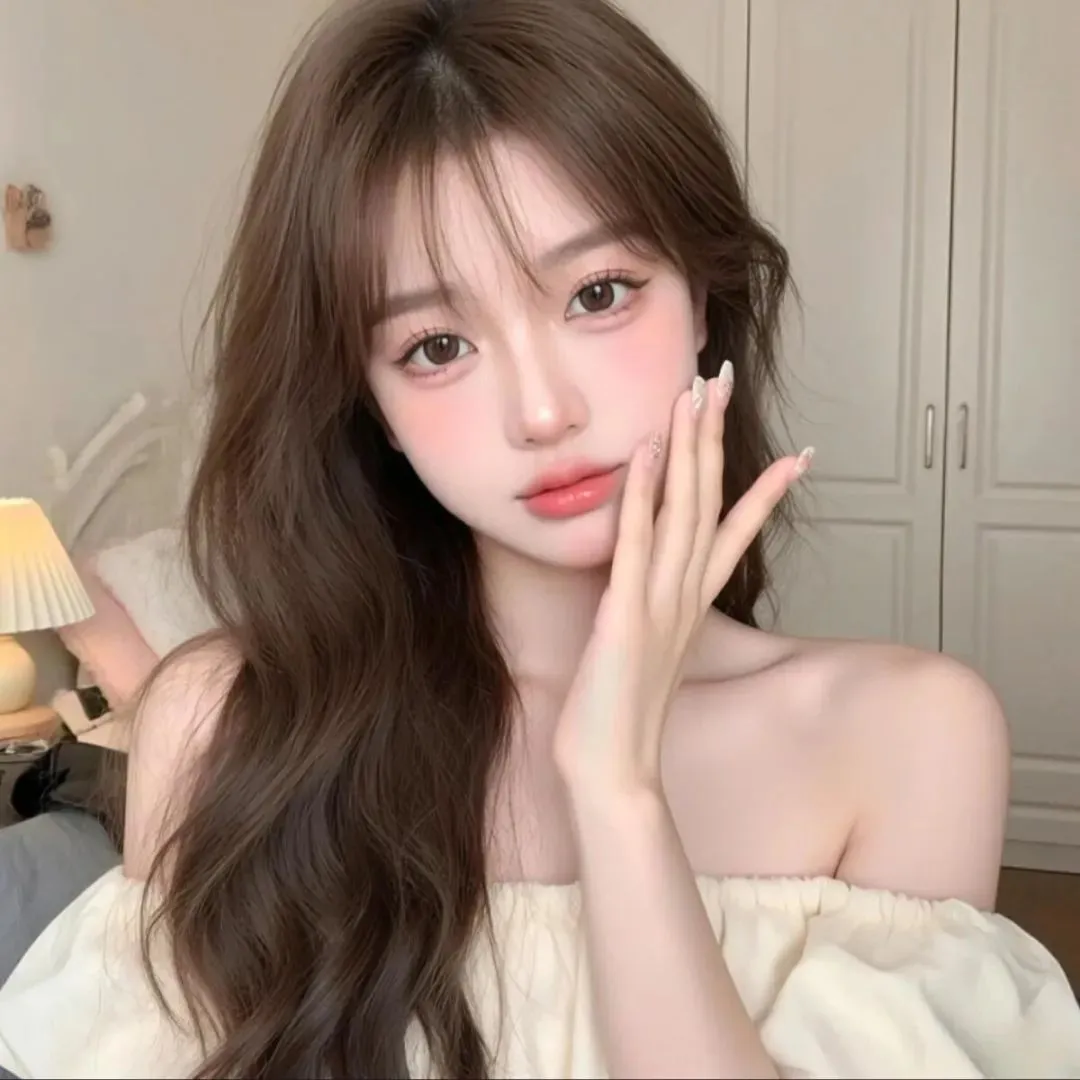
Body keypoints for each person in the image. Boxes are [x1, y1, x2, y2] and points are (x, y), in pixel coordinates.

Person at [2, 1, 1079, 1076]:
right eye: (435, 347)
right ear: (371, 403)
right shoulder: (219, 726)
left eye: (599, 293)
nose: (542, 410)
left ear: (703, 301)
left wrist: (617, 791)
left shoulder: (907, 738)